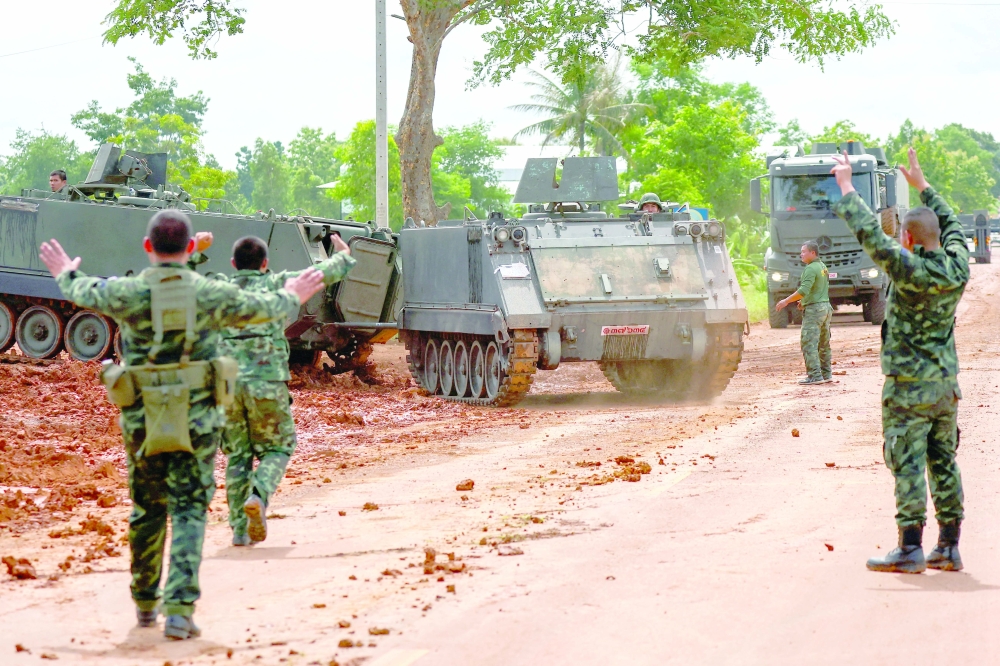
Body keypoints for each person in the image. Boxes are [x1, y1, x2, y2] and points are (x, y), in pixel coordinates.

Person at [38, 211, 326, 640]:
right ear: (192, 248)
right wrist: (292, 292)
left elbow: (83, 290)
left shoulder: (130, 292)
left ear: (147, 247)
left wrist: (65, 271)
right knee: (191, 509)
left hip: (143, 420)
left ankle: (144, 604)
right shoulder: (208, 293)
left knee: (147, 510)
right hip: (198, 421)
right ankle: (180, 610)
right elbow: (264, 308)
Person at [830, 147, 968, 574]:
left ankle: (910, 548)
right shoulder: (957, 268)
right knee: (943, 461)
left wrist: (847, 185)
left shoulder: (906, 268)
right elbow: (955, 229)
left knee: (906, 460)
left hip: (908, 386)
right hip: (945, 386)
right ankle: (948, 546)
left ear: (906, 238)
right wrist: (924, 188)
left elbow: (871, 233)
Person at [200, 233, 355, 546]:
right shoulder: (278, 284)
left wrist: (195, 250)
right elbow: (324, 274)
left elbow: (185, 278)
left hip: (227, 385)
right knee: (279, 447)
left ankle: (240, 530)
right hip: (266, 381)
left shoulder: (221, 287)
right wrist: (343, 254)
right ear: (265, 264)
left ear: (233, 264)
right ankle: (258, 495)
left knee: (238, 456)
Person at [775, 241, 833, 385]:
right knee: (823, 343)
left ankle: (814, 376)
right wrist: (804, 301)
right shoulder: (822, 266)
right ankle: (826, 374)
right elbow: (818, 289)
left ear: (812, 253)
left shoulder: (811, 268)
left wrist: (786, 301)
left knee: (809, 343)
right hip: (825, 307)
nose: (801, 254)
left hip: (815, 311)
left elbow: (803, 290)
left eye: (803, 251)